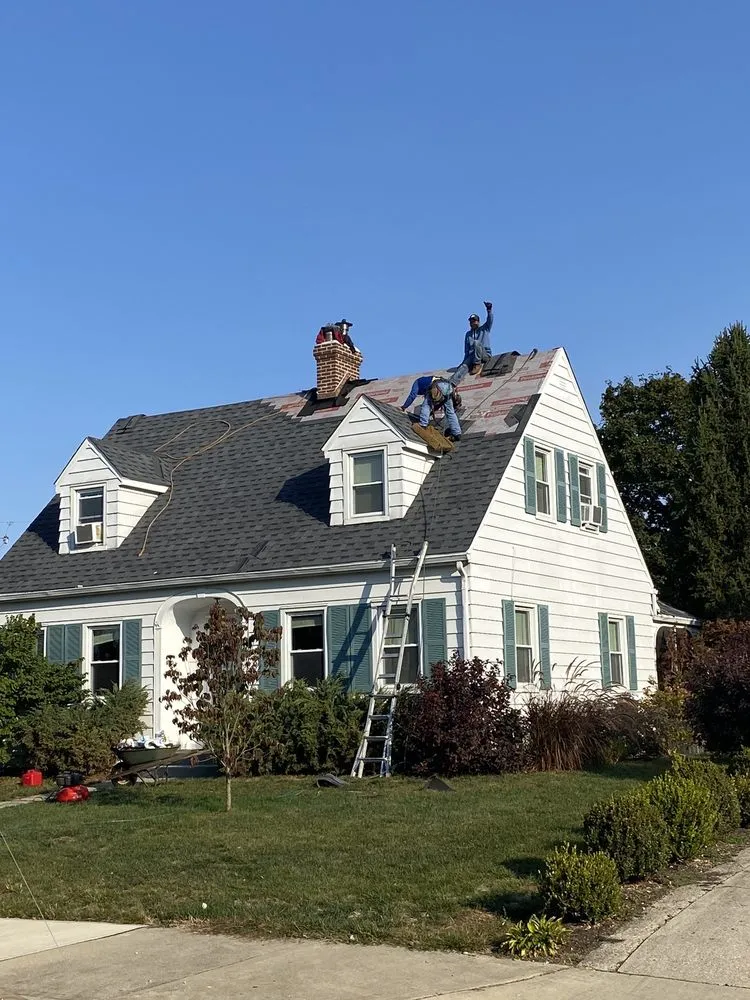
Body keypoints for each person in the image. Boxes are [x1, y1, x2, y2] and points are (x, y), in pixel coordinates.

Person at [401, 375, 462, 442]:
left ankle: (423, 424)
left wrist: (404, 406)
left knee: (426, 405)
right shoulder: (427, 380)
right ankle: (457, 433)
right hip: (449, 387)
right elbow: (439, 404)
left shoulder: (417, 382)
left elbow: (412, 395)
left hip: (438, 386)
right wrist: (430, 413)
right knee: (450, 412)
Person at [451, 300, 493, 385]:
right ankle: (452, 383)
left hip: (484, 355)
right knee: (463, 367)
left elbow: (490, 320)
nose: (472, 323)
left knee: (476, 343)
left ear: (478, 321)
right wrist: (464, 362)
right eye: (471, 321)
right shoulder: (468, 334)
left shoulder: (484, 329)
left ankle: (477, 364)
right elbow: (466, 351)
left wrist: (489, 310)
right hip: (472, 356)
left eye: (474, 321)